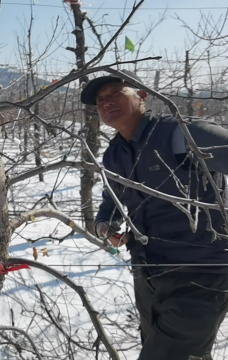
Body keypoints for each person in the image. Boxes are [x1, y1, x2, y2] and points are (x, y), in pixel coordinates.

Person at [82, 70, 228, 360]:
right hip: (148, 275)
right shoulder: (114, 154)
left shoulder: (183, 133)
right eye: (100, 100)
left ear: (143, 96)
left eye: (115, 92)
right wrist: (105, 225)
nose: (106, 102)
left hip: (202, 274)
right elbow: (111, 201)